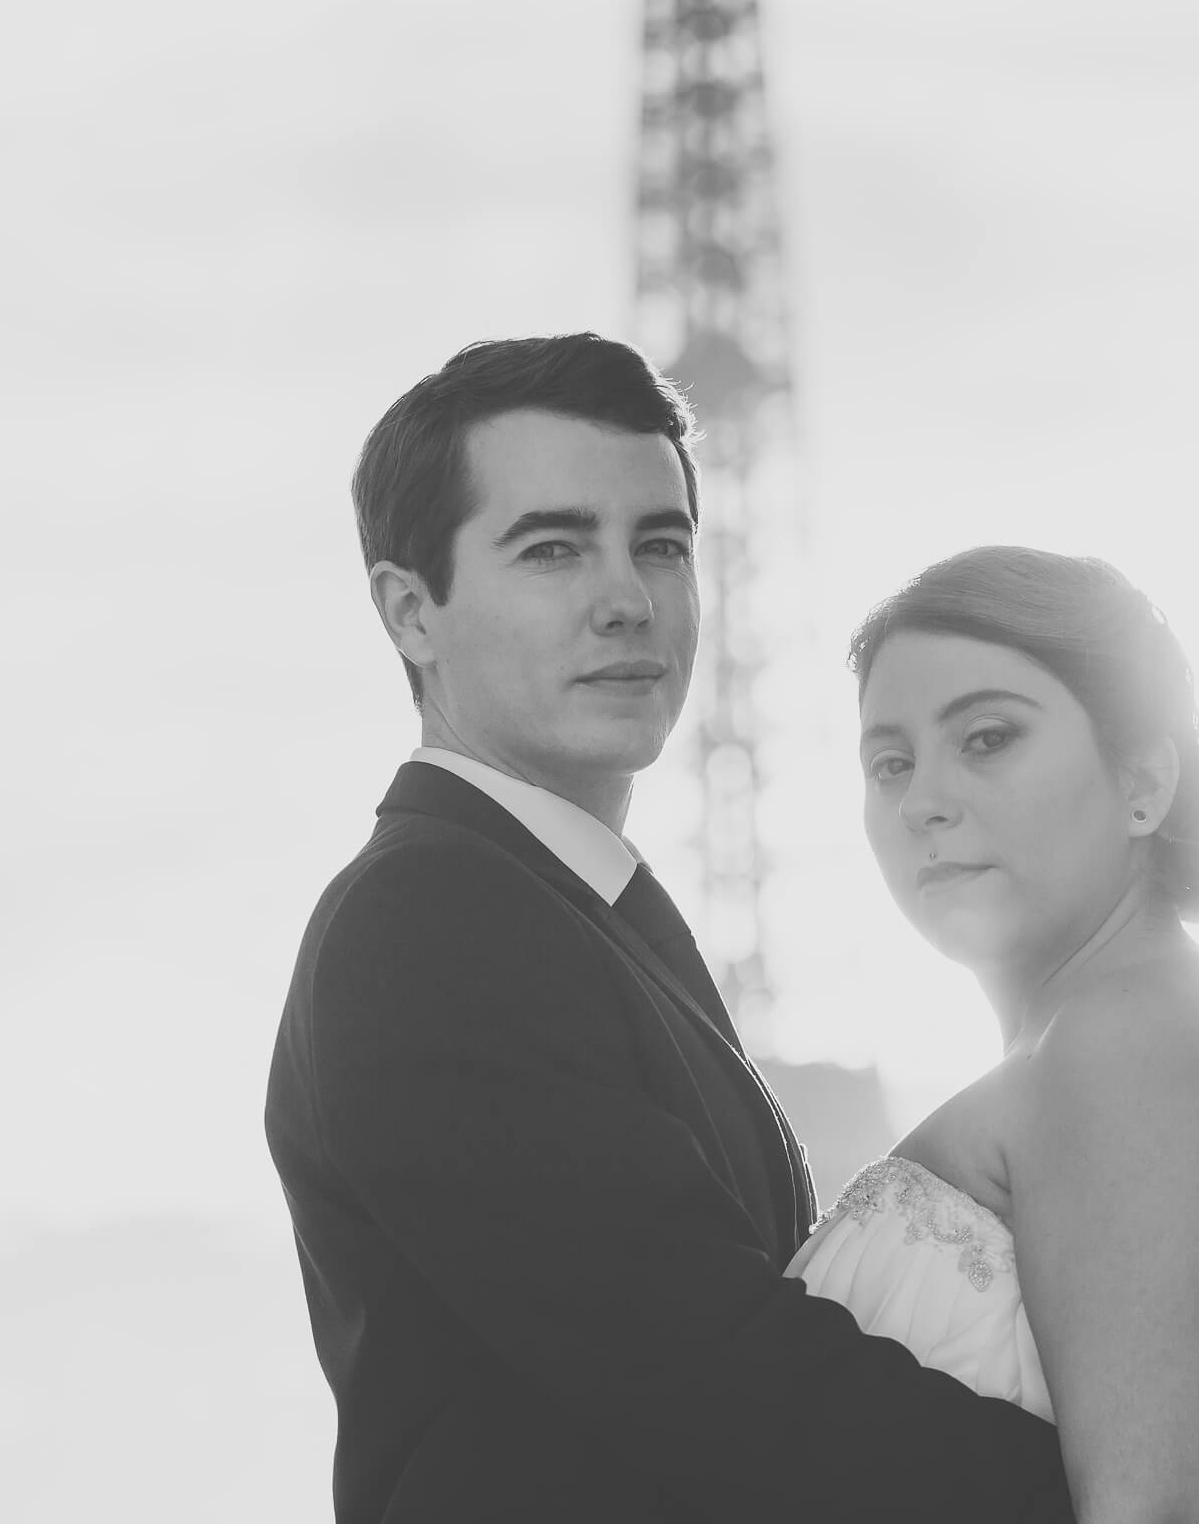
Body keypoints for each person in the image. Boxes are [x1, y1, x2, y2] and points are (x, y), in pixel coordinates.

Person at [264, 335, 1076, 1522]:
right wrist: (1126, 1492)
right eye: (551, 549)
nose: (627, 600)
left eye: (662, 544)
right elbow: (729, 1389)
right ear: (410, 612)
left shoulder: (566, 915)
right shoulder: (429, 922)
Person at [791, 546, 1199, 1524]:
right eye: (891, 762)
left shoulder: (1140, 1046)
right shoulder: (1125, 1034)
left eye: (989, 737)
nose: (924, 801)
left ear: (1144, 783)